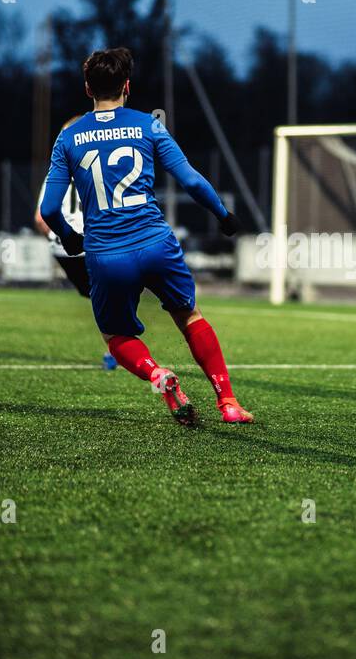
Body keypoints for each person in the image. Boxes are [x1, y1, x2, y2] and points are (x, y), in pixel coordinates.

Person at [40, 47, 252, 426]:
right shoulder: (148, 125)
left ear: (88, 88)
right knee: (189, 317)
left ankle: (158, 375)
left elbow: (51, 209)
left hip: (106, 253)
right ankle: (228, 403)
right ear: (127, 86)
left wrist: (70, 237)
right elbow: (189, 179)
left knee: (116, 336)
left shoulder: (69, 137)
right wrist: (223, 215)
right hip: (155, 243)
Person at [34, 116, 90, 299]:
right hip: (93, 245)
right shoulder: (99, 169)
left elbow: (41, 219)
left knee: (98, 297)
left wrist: (58, 238)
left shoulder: (56, 173)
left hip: (63, 250)